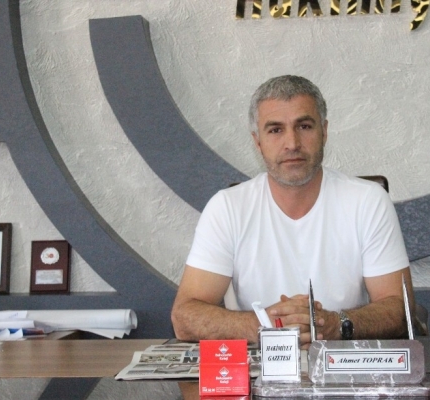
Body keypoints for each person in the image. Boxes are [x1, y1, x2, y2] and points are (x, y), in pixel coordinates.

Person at [171, 75, 414, 348]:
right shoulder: (227, 208)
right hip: (260, 368)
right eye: (275, 130)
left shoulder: (368, 201)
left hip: (344, 363)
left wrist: (335, 324)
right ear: (257, 141)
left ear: (324, 131)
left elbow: (399, 310)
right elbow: (184, 317)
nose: (292, 143)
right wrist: (269, 326)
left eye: (304, 126)